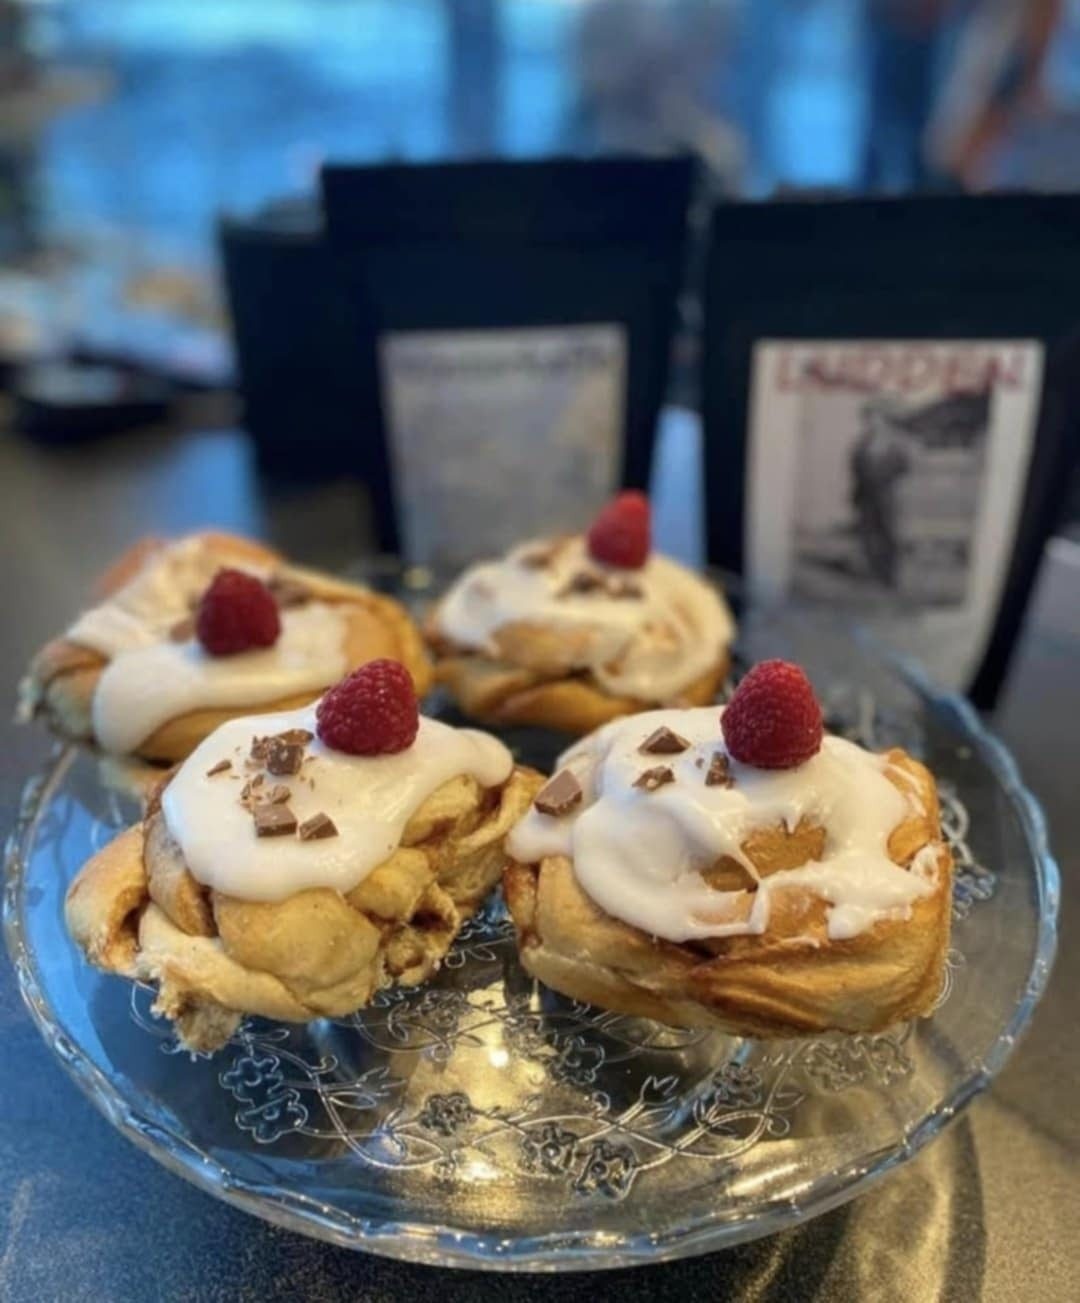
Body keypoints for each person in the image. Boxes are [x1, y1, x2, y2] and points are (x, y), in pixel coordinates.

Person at [851, 401, 911, 590]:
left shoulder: (895, 443)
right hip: (866, 497)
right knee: (868, 535)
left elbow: (904, 465)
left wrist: (885, 477)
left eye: (876, 418)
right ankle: (873, 572)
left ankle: (890, 575)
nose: (872, 422)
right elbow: (855, 467)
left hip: (888, 497)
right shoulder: (862, 444)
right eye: (868, 419)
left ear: (884, 420)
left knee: (890, 536)